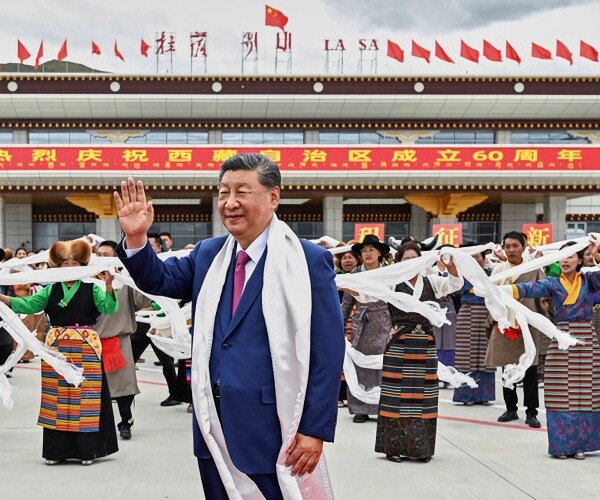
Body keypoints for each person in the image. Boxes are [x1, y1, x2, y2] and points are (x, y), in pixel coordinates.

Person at [113, 153, 345, 499]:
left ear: (273, 197)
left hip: (273, 427)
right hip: (212, 423)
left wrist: (314, 428)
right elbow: (159, 279)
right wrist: (136, 239)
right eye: (223, 193)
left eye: (242, 192)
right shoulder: (209, 254)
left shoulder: (307, 261)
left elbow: (327, 350)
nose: (230, 203)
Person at [0, 239, 119, 465]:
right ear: (58, 266)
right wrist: (2, 297)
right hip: (56, 348)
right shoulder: (50, 289)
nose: (69, 267)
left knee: (86, 397)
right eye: (65, 263)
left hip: (86, 346)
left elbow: (109, 307)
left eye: (74, 263)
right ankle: (56, 451)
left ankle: (86, 451)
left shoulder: (93, 288)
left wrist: (110, 286)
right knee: (56, 397)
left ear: (82, 265)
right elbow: (28, 305)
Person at [509, 242, 600, 459]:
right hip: (561, 339)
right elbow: (528, 288)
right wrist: (499, 289)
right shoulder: (553, 283)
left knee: (585, 393)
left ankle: (580, 445)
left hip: (587, 340)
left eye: (571, 256)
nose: (566, 260)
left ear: (580, 260)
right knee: (560, 394)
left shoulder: (590, 280)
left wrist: (597, 250)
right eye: (563, 257)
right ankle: (562, 446)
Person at [375, 242, 463, 463]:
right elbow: (366, 294)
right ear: (398, 262)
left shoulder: (432, 281)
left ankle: (421, 449)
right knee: (395, 396)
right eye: (406, 259)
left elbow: (455, 284)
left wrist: (451, 265)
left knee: (424, 397)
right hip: (398, 344)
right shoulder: (391, 283)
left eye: (414, 258)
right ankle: (392, 448)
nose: (410, 263)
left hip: (425, 344)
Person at [485, 231, 550, 428]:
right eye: (508, 246)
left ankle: (531, 411)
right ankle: (510, 408)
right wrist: (499, 316)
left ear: (524, 247)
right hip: (504, 323)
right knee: (507, 367)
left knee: (530, 368)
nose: (511, 250)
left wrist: (539, 313)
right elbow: (490, 297)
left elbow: (544, 295)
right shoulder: (498, 270)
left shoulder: (533, 269)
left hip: (527, 324)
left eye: (515, 246)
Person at [94, 240, 152, 440]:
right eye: (99, 255)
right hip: (92, 342)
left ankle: (125, 422)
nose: (102, 258)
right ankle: (96, 424)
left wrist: (140, 277)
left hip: (119, 341)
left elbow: (142, 301)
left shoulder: (124, 281)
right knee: (94, 387)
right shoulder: (87, 280)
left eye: (106, 255)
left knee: (125, 387)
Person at [341, 234, 392, 423]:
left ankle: (381, 406)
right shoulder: (355, 274)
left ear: (379, 253)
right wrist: (338, 323)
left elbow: (395, 300)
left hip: (383, 321)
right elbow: (347, 303)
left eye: (371, 250)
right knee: (359, 363)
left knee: (381, 364)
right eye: (364, 251)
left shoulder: (389, 272)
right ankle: (360, 408)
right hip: (361, 322)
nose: (368, 253)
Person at [453, 250, 496, 405]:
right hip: (467, 312)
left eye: (477, 256)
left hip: (486, 313)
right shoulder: (460, 274)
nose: (475, 259)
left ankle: (484, 395)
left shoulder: (492, 274)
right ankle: (466, 396)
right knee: (466, 355)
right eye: (471, 257)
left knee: (486, 355)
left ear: (483, 259)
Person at [334, 242, 361, 407]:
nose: (347, 260)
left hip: (358, 323)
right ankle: (339, 394)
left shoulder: (361, 277)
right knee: (340, 358)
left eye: (350, 257)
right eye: (344, 258)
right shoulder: (335, 277)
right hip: (340, 322)